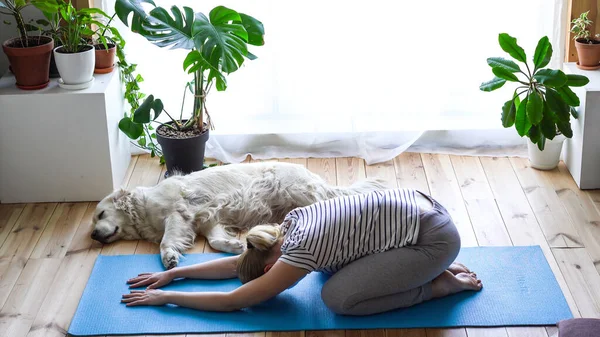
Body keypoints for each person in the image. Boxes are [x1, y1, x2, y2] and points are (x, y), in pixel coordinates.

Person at [122, 188, 483, 315]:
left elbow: (234, 299)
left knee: (339, 298)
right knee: (331, 267)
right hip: (424, 209)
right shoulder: (288, 226)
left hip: (433, 239)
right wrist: (174, 273)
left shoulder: (300, 252)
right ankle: (427, 268)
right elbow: (237, 265)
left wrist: (167, 297)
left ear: (268, 271)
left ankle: (438, 284)